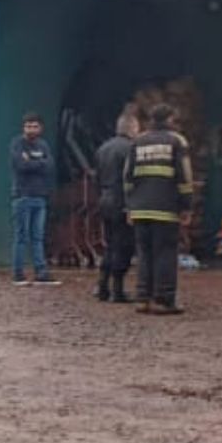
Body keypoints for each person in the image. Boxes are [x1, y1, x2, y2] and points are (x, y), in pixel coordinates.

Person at [123, 103, 194, 315]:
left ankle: (142, 298)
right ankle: (163, 300)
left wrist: (130, 206)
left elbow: (127, 176)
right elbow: (185, 177)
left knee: (144, 254)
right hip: (165, 209)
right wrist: (186, 206)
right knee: (165, 254)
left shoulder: (137, 141)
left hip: (140, 209)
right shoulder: (177, 141)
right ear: (170, 119)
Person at [9, 111, 60, 286]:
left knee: (38, 237)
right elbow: (20, 166)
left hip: (40, 197)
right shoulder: (17, 144)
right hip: (22, 196)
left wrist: (32, 162)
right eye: (28, 126)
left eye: (35, 126)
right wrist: (39, 163)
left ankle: (41, 272)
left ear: (41, 128)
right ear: (23, 127)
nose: (31, 129)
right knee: (21, 236)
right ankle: (18, 274)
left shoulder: (43, 145)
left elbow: (50, 166)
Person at [92, 114, 138, 303]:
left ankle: (102, 285)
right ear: (132, 128)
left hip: (105, 199)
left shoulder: (103, 148)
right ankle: (117, 290)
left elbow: (96, 177)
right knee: (124, 246)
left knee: (110, 244)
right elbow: (132, 178)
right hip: (122, 201)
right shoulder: (131, 149)